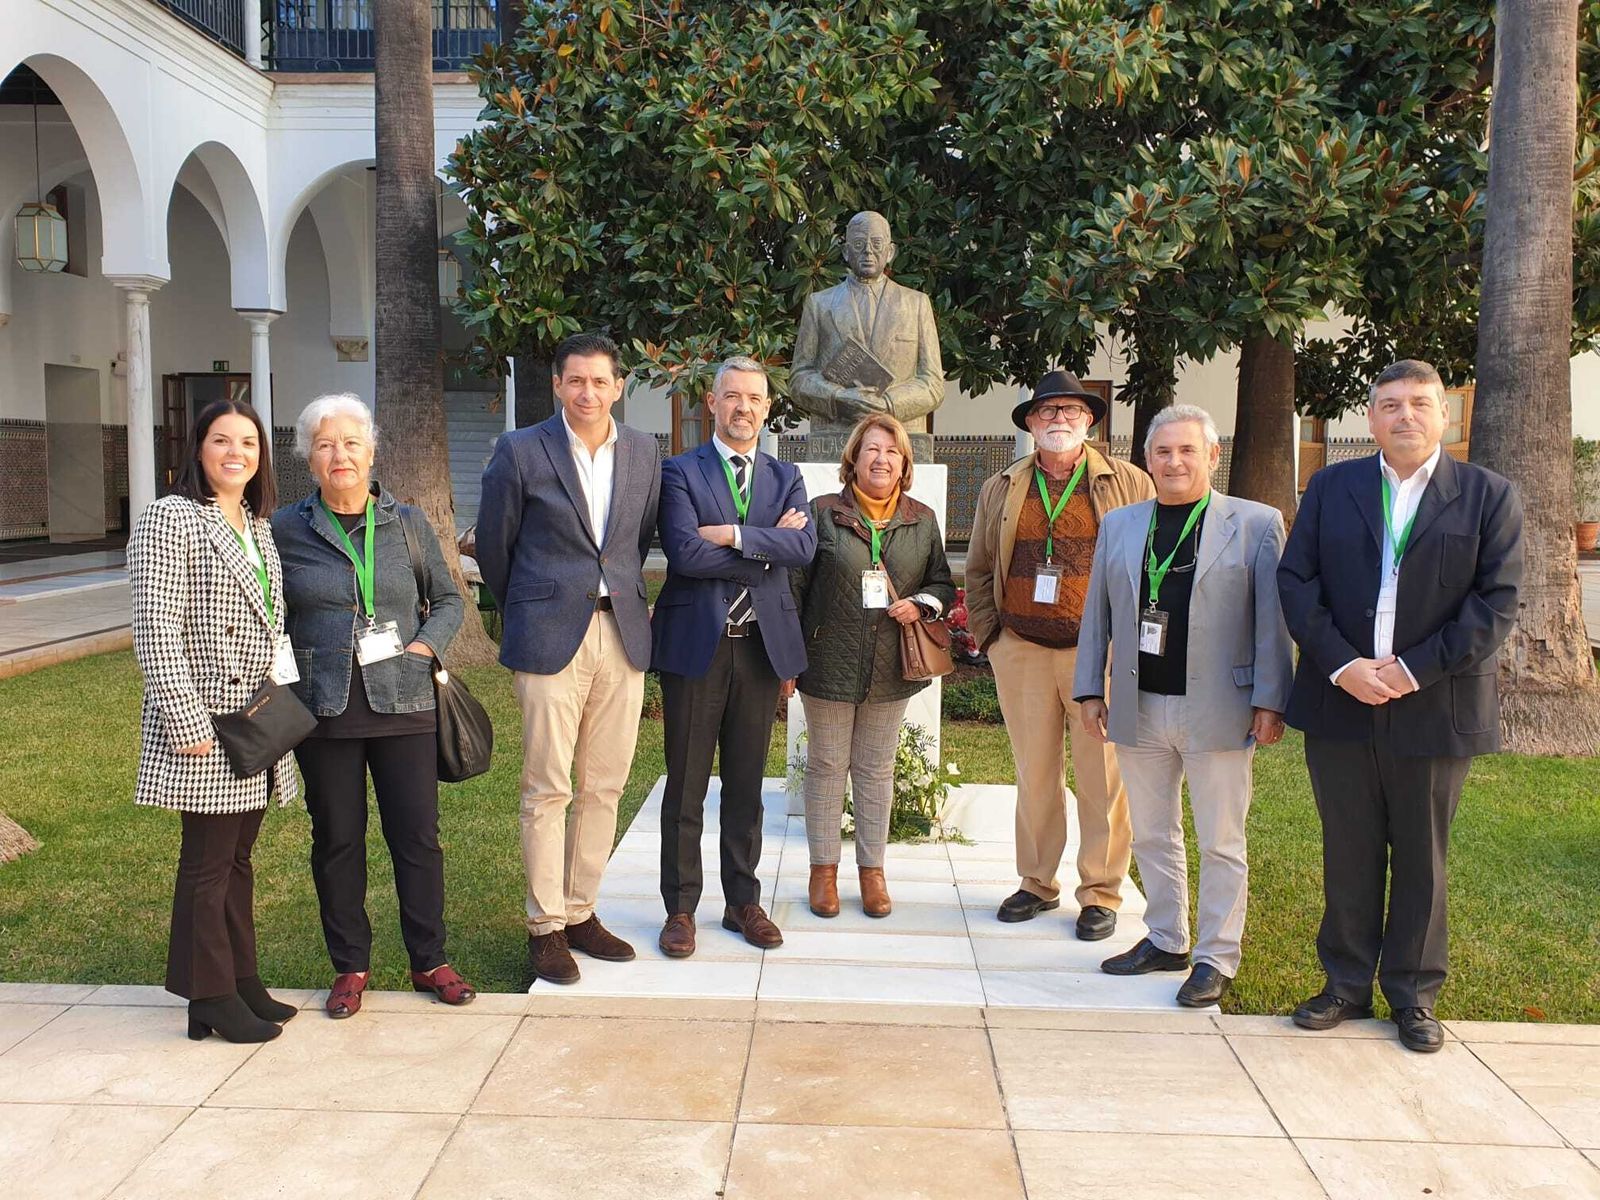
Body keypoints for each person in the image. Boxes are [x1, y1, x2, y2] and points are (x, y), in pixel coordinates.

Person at [1278, 359, 1523, 1053]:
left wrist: (1411, 670)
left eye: (1419, 403)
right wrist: (1343, 665)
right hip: (1342, 701)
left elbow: (1496, 604)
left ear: (1445, 415)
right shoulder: (1331, 488)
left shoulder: (1488, 495)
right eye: (1390, 404)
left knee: (1422, 856)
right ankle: (1345, 986)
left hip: (1435, 705)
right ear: (1371, 416)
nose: (1405, 415)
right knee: (1348, 849)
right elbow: (1297, 582)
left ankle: (1414, 995)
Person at [1074, 405, 1293, 1007]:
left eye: (1187, 451)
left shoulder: (1255, 524)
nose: (1174, 462)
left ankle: (1216, 956)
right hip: (1139, 705)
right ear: (1148, 460)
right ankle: (1167, 938)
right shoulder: (1120, 524)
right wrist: (1090, 688)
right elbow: (1099, 614)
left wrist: (1272, 699)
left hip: (1221, 706)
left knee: (1221, 840)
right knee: (1151, 832)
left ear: (1212, 456)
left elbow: (1275, 621)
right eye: (1163, 452)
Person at [272, 393, 475, 1019]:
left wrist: (422, 649)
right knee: (337, 840)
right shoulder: (285, 529)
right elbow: (270, 614)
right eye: (326, 444)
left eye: (351, 443)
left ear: (371, 451)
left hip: (405, 701)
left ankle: (429, 959)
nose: (340, 455)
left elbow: (448, 599)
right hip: (324, 709)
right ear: (309, 457)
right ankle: (350, 966)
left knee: (416, 837)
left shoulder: (408, 523)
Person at [477, 332, 661, 986]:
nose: (588, 392)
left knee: (604, 784)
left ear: (618, 387)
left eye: (600, 382)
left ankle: (582, 911)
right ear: (557, 385)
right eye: (575, 381)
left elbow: (635, 541)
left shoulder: (644, 451)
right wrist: (534, 606)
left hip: (623, 635)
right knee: (548, 786)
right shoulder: (520, 451)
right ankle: (544, 926)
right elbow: (496, 550)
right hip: (549, 635)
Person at [128, 398, 297, 1044]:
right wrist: (185, 721)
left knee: (238, 858)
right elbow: (156, 630)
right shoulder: (171, 519)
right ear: (197, 449)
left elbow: (270, 622)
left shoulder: (256, 523)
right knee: (207, 861)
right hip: (206, 720)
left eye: (249, 443)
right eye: (222, 440)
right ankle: (210, 995)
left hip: (255, 718)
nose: (237, 453)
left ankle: (242, 979)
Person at [965, 369, 1155, 937]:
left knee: (1102, 775)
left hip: (1097, 652)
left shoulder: (1129, 481)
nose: (1059, 420)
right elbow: (977, 569)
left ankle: (1100, 891)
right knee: (1036, 772)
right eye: (1047, 412)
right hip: (1021, 648)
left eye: (1071, 411)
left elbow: (1149, 569)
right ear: (1030, 423)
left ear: (1089, 421)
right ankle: (1035, 882)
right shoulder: (1001, 486)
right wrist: (991, 639)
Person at [653, 356, 817, 957]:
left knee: (746, 783)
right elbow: (685, 555)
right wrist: (763, 545)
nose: (743, 407)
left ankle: (742, 902)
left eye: (754, 397)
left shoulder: (785, 475)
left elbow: (802, 548)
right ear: (712, 404)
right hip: (697, 645)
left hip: (760, 651)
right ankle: (680, 908)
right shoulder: (679, 471)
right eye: (732, 397)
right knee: (688, 783)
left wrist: (731, 534)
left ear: (768, 407)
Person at [790, 414, 955, 918]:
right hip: (827, 662)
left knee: (876, 771)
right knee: (825, 767)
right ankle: (823, 873)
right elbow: (795, 589)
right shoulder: (821, 513)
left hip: (890, 667)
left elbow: (944, 584)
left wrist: (922, 603)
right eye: (872, 450)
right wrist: (789, 658)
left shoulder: (921, 519)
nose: (881, 459)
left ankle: (872, 873)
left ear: (904, 463)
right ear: (854, 460)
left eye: (892, 452)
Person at [790, 210, 945, 462]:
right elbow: (799, 378)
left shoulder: (916, 304)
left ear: (891, 251)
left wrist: (889, 403)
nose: (868, 252)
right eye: (859, 244)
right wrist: (838, 397)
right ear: (845, 251)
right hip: (835, 441)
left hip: (900, 439)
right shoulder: (820, 304)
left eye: (876, 244)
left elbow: (933, 384)